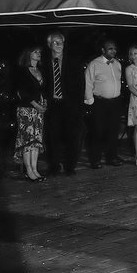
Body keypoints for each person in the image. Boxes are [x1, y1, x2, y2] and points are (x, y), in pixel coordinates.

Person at [43, 31, 84, 176]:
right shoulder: (44, 62)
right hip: (53, 106)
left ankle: (70, 167)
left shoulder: (73, 60)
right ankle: (54, 166)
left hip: (71, 106)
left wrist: (78, 106)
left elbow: (80, 84)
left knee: (72, 137)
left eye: (61, 41)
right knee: (53, 137)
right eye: (55, 42)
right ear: (49, 45)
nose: (59, 44)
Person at [84, 39, 123, 169]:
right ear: (103, 50)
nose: (114, 51)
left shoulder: (117, 64)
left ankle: (111, 157)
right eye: (110, 48)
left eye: (115, 48)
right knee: (97, 131)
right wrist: (89, 101)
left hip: (115, 103)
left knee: (113, 131)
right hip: (99, 103)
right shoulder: (94, 64)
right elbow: (88, 83)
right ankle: (95, 159)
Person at [14, 45, 47, 182]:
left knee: (36, 140)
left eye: (39, 52)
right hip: (27, 109)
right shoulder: (22, 71)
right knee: (27, 141)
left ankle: (35, 169)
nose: (38, 54)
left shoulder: (40, 70)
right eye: (35, 52)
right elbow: (22, 92)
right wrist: (36, 105)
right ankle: (28, 170)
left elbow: (44, 89)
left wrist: (45, 103)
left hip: (38, 111)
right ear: (28, 54)